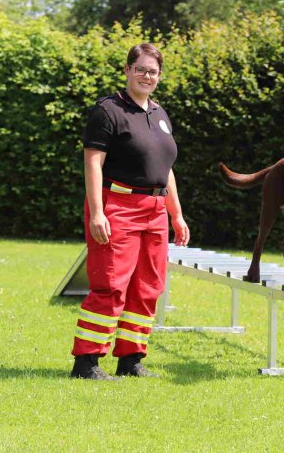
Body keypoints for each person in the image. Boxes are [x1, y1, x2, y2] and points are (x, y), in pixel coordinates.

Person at [70, 43, 190, 380]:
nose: (146, 76)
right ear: (127, 70)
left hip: (155, 210)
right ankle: (87, 362)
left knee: (148, 287)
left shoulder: (160, 115)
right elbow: (93, 164)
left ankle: (131, 359)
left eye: (153, 71)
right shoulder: (108, 111)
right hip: (117, 207)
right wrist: (97, 212)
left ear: (160, 76)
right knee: (111, 285)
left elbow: (165, 168)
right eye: (140, 69)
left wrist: (176, 215)